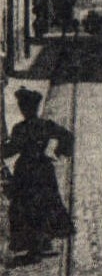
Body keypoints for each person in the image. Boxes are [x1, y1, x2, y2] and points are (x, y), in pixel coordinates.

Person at [2, 88, 74, 262]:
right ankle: (43, 242)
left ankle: (34, 246)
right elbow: (67, 136)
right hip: (43, 170)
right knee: (46, 205)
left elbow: (11, 150)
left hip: (26, 172)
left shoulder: (20, 129)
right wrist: (59, 151)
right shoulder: (46, 125)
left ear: (24, 110)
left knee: (25, 208)